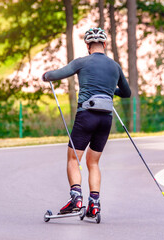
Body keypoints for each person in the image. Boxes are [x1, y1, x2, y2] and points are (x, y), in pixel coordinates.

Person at [42, 27, 131, 218]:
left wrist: (46, 75)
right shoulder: (115, 66)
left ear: (88, 45)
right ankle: (95, 204)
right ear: (105, 45)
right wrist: (108, 90)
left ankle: (76, 199)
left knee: (74, 158)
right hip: (105, 119)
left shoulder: (81, 62)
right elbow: (126, 93)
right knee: (93, 162)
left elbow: (56, 74)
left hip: (86, 116)